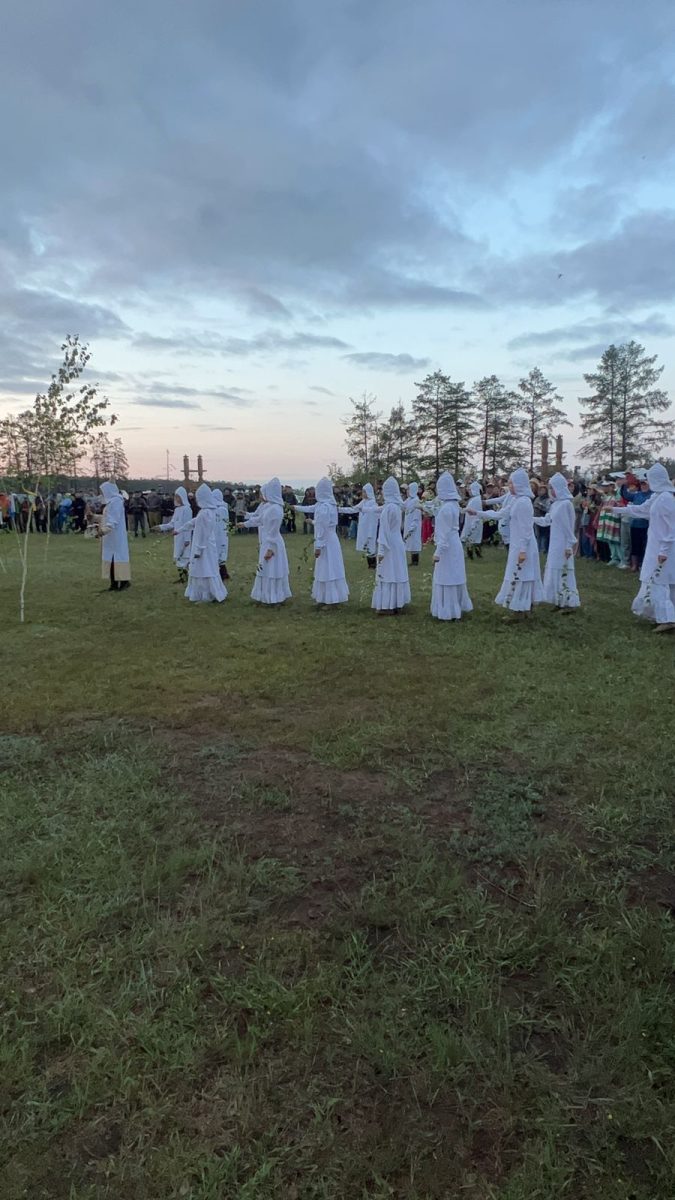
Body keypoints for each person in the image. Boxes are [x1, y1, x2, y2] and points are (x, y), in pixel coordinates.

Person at [469, 468, 542, 617]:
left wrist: (523, 550)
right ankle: (520, 608)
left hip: (524, 545)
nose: (509, 486)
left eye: (511, 483)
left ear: (519, 484)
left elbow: (527, 529)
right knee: (517, 574)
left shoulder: (524, 502)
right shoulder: (515, 500)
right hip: (517, 543)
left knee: (522, 575)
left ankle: (522, 610)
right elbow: (500, 514)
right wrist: (478, 513)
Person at [614, 463, 675, 633]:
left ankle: (667, 619)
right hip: (656, 544)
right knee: (660, 581)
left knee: (659, 581)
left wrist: (664, 550)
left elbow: (671, 528)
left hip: (663, 547)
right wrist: (617, 510)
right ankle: (663, 615)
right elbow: (642, 510)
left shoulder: (666, 499)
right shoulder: (658, 496)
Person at [295, 477, 349, 605]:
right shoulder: (326, 505)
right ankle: (328, 597)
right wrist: (294, 507)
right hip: (330, 539)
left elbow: (322, 527)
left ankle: (330, 599)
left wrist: (318, 546)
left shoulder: (325, 507)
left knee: (328, 568)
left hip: (327, 541)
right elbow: (310, 508)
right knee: (328, 567)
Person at [533, 472, 580, 611]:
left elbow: (568, 526)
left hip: (563, 543)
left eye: (552, 488)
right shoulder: (555, 504)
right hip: (555, 542)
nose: (551, 491)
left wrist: (569, 545)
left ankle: (568, 602)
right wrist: (531, 518)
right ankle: (558, 600)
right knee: (555, 568)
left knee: (564, 570)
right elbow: (547, 520)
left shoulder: (566, 504)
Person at [431, 472, 473, 621]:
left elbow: (443, 534)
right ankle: (456, 606)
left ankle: (448, 610)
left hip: (448, 546)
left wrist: (437, 553)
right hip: (455, 544)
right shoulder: (452, 505)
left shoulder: (446, 509)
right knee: (454, 574)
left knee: (446, 576)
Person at [244, 477, 292, 604]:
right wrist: (245, 524)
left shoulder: (275, 509)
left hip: (272, 543)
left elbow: (273, 531)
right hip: (268, 541)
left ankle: (274, 596)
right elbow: (260, 519)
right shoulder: (270, 507)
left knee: (272, 568)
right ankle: (266, 595)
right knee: (266, 568)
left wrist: (270, 549)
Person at [372, 476, 411, 615]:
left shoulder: (389, 508)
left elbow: (384, 531)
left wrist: (381, 551)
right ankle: (397, 602)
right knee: (397, 571)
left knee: (388, 572)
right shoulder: (396, 506)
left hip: (389, 544)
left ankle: (387, 605)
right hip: (397, 542)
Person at [185, 484, 227, 603]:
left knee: (205, 568)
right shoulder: (206, 512)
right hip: (204, 545)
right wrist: (180, 529)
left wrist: (199, 549)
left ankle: (208, 595)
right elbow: (194, 522)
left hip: (204, 547)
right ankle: (205, 593)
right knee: (203, 568)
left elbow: (204, 533)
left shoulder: (206, 513)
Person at [155, 486, 193, 583]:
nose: (176, 499)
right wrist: (160, 527)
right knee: (178, 556)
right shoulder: (177, 510)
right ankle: (183, 577)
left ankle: (187, 577)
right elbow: (172, 524)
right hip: (177, 537)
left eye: (178, 497)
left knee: (184, 556)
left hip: (184, 537)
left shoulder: (187, 509)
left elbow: (188, 525)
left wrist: (187, 539)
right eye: (175, 497)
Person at [98, 481, 131, 591]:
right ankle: (113, 583)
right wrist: (93, 517)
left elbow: (114, 519)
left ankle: (124, 582)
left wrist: (105, 529)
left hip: (116, 534)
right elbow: (106, 517)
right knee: (110, 558)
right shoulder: (110, 502)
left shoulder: (116, 501)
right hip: (110, 536)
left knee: (118, 557)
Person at [338, 483, 380, 568]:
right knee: (366, 544)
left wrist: (371, 528)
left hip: (370, 527)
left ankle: (373, 564)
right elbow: (354, 509)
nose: (363, 494)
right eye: (363, 492)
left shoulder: (373, 503)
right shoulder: (363, 502)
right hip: (364, 527)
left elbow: (374, 515)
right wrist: (340, 509)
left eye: (364, 492)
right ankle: (370, 563)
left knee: (371, 544)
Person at [461, 482, 484, 559]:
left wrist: (461, 510)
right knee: (474, 538)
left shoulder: (476, 499)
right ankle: (475, 554)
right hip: (471, 521)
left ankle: (472, 554)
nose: (469, 491)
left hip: (473, 522)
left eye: (470, 489)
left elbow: (471, 510)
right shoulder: (474, 499)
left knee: (472, 537)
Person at [212, 488, 231, 581]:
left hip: (220, 534)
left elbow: (222, 524)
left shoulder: (222, 509)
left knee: (220, 553)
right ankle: (222, 573)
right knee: (216, 553)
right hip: (215, 534)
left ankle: (223, 574)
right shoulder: (215, 509)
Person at [403, 481, 423, 565]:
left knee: (414, 541)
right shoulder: (408, 500)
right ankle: (412, 559)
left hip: (414, 524)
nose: (407, 491)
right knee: (410, 542)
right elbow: (402, 505)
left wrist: (413, 526)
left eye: (408, 489)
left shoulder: (416, 501)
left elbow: (417, 515)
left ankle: (415, 561)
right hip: (408, 523)